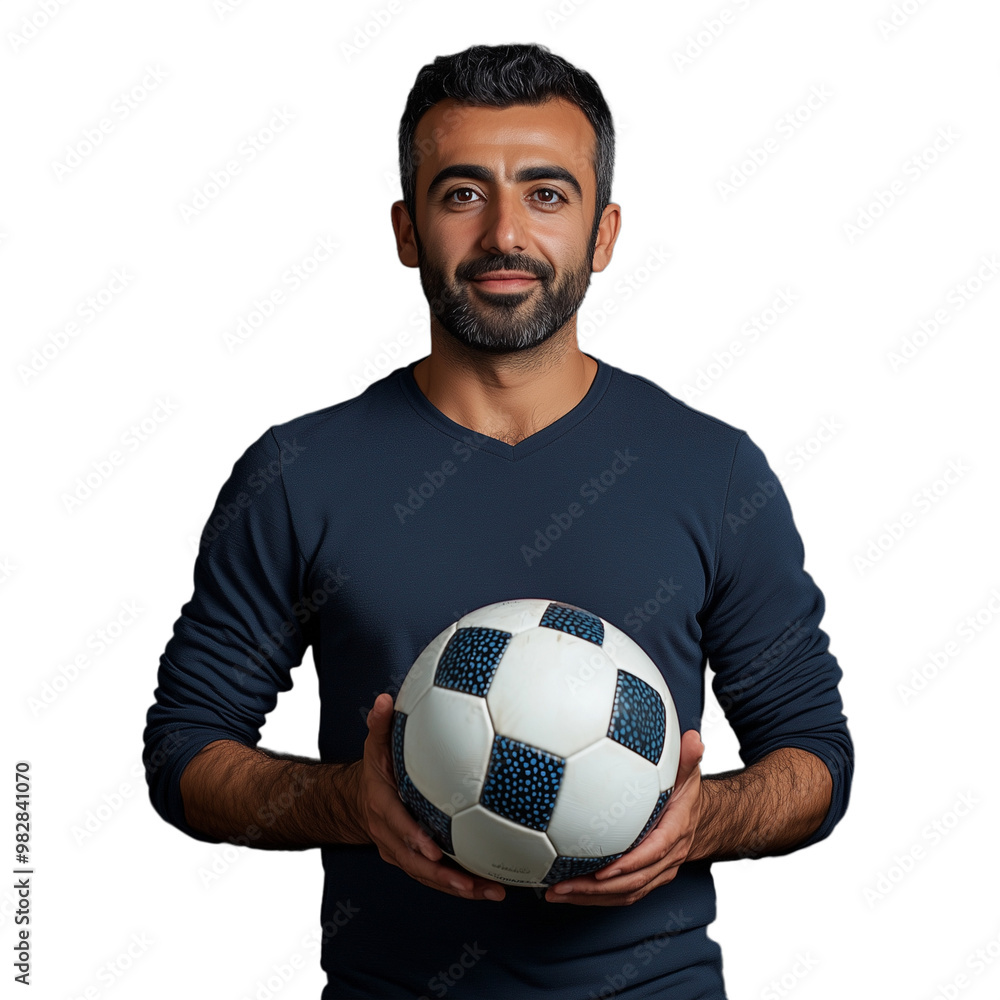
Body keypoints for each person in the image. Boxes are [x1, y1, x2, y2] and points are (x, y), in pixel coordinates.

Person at [143, 42, 853, 999]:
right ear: (408, 229)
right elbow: (185, 751)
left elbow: (815, 759)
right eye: (463, 193)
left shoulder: (712, 470)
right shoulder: (297, 474)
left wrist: (707, 819)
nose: (505, 234)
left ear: (603, 234)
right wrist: (351, 802)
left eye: (547, 194)